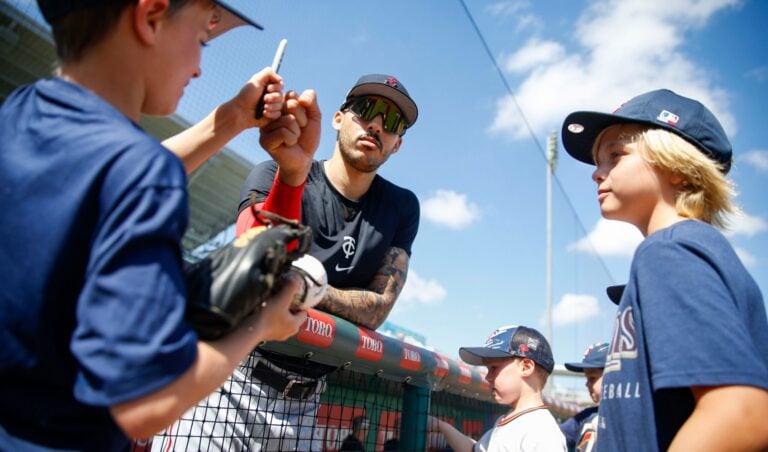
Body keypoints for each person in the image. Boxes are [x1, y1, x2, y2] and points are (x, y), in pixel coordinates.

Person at [0, 1, 309, 450]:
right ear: (149, 18)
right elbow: (143, 404)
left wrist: (233, 119)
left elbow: (106, 172)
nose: (199, 68)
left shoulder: (21, 107)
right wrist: (261, 325)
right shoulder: (144, 174)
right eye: (201, 40)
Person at [153, 74, 420, 450]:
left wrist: (304, 286)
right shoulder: (277, 172)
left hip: (308, 402)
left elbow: (377, 310)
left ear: (398, 143)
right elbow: (254, 273)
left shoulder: (401, 206)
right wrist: (312, 291)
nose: (376, 125)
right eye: (366, 110)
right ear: (338, 118)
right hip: (232, 378)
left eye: (392, 121)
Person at [561, 88, 768, 451]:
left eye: (616, 155)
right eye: (598, 161)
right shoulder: (691, 246)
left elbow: (741, 413)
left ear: (676, 168)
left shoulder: (668, 249)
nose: (596, 173)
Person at [429, 325, 566, 452]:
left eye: (494, 368)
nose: (488, 377)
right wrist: (442, 427)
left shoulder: (542, 433)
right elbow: (474, 450)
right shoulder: (509, 419)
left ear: (526, 367)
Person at [559, 342, 608, 452]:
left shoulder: (625, 417)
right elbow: (554, 436)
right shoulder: (585, 416)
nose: (586, 384)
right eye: (587, 378)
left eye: (592, 378)